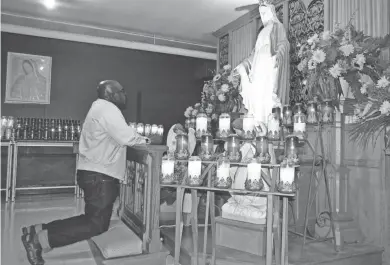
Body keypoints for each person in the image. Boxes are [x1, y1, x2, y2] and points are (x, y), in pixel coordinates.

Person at [21, 80, 150, 265]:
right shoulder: (108, 109)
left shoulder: (98, 108)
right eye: (122, 91)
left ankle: (37, 230)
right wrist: (147, 140)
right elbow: (127, 136)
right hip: (101, 175)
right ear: (111, 94)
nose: (125, 95)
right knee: (95, 224)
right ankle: (39, 241)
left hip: (94, 173)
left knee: (91, 220)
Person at [221, 0, 290, 225]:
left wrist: (274, 60)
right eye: (259, 12)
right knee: (255, 105)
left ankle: (263, 136)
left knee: (265, 104)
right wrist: (243, 66)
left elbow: (284, 47)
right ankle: (255, 137)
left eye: (264, 10)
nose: (262, 15)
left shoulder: (277, 28)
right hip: (258, 71)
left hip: (269, 72)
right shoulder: (261, 32)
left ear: (271, 11)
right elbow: (253, 55)